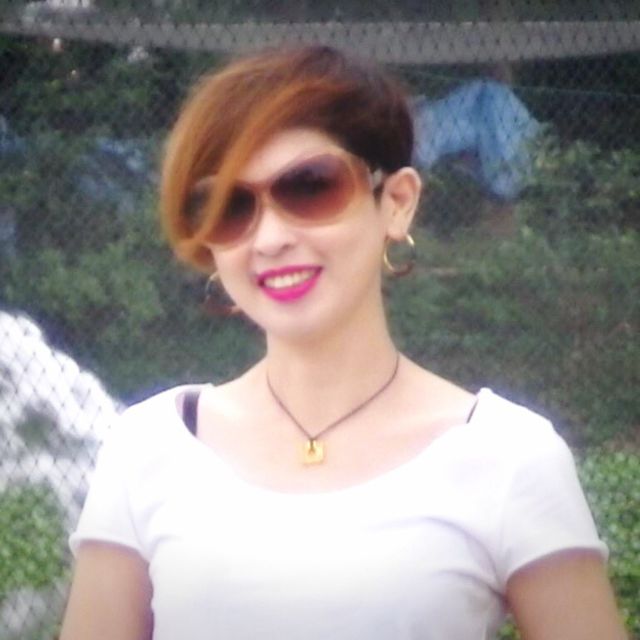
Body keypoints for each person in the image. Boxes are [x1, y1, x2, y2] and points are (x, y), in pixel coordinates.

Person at [60, 46, 627, 640]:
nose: (270, 238)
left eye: (310, 187)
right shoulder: (149, 446)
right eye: (228, 206)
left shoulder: (509, 456)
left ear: (397, 203)